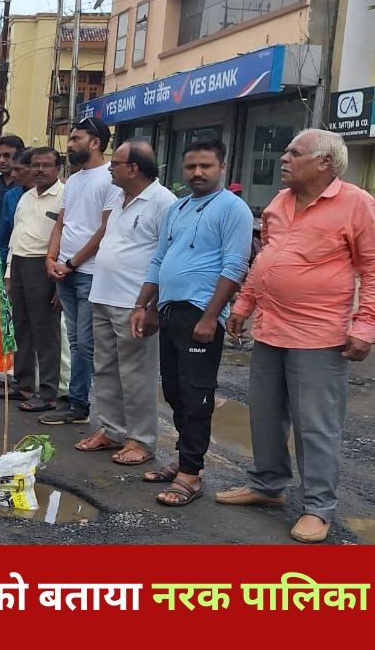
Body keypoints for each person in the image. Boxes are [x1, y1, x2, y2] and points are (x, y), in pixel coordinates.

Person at [218, 130, 375, 543]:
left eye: (294, 152)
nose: (283, 158)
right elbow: (267, 260)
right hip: (271, 328)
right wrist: (244, 306)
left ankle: (317, 507)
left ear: (325, 163)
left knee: (316, 426)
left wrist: (364, 326)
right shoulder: (279, 203)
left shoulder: (356, 204)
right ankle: (267, 485)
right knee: (265, 413)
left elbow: (372, 269)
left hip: (320, 335)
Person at [130, 138, 253, 507]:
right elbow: (160, 258)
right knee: (173, 391)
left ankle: (191, 475)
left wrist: (212, 316)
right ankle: (186, 459)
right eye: (191, 167)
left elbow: (235, 266)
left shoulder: (234, 209)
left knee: (197, 396)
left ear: (222, 168)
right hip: (169, 311)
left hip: (200, 313)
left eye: (206, 166)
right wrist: (144, 306)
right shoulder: (179, 208)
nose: (197, 173)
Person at [75, 141, 175, 466]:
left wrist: (151, 306)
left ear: (133, 169)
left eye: (115, 164)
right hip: (103, 296)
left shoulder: (163, 202)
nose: (109, 168)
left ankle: (141, 439)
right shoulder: (119, 198)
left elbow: (167, 257)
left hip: (134, 303)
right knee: (105, 369)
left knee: (136, 373)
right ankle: (112, 430)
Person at [42, 116, 117, 425]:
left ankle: (80, 403)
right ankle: (75, 401)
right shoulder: (74, 179)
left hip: (88, 273)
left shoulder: (110, 179)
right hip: (64, 270)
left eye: (75, 139)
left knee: (86, 343)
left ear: (95, 142)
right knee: (73, 341)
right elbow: (62, 222)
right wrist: (50, 257)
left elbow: (104, 229)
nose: (70, 144)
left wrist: (71, 264)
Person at [7, 147, 65, 414]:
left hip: (44, 266)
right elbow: (15, 236)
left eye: (46, 165)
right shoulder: (26, 197)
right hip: (19, 263)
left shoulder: (64, 197)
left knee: (45, 331)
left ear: (58, 168)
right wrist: (9, 274)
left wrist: (59, 281)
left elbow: (67, 238)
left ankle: (49, 391)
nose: (40, 170)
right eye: (36, 165)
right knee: (20, 327)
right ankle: (23, 383)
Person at [0, 148, 33, 263]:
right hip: (14, 261)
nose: (12, 174)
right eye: (12, 169)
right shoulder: (11, 196)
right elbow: (4, 236)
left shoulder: (59, 194)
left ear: (34, 169)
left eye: (18, 170)